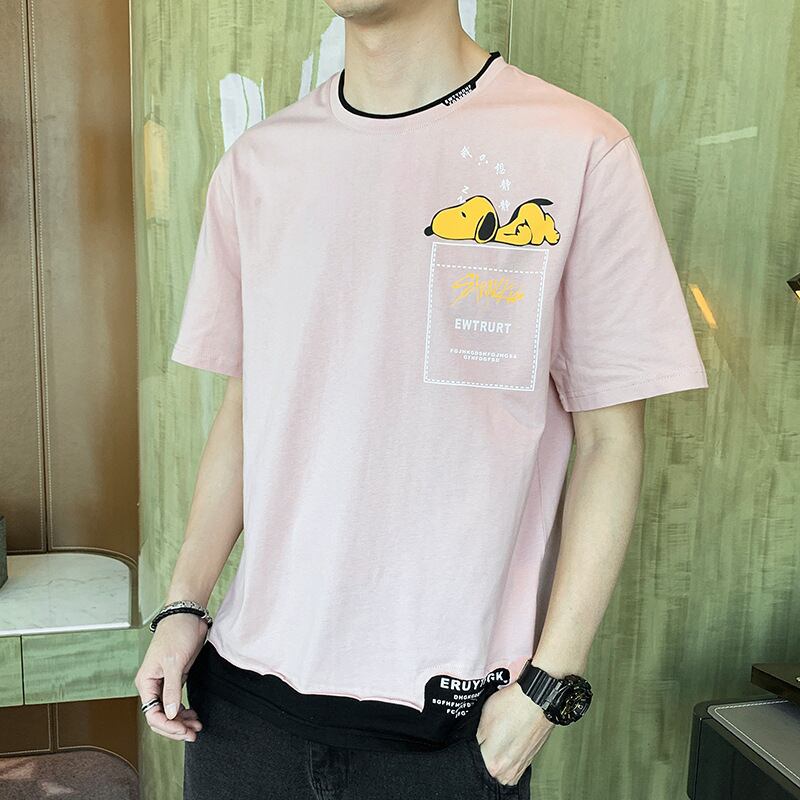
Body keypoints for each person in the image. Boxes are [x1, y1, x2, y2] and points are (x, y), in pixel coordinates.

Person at [134, 2, 709, 798]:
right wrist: (182, 605)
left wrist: (549, 686)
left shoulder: (579, 149)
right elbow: (249, 406)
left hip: (451, 735)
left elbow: (611, 439)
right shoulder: (261, 164)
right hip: (243, 714)